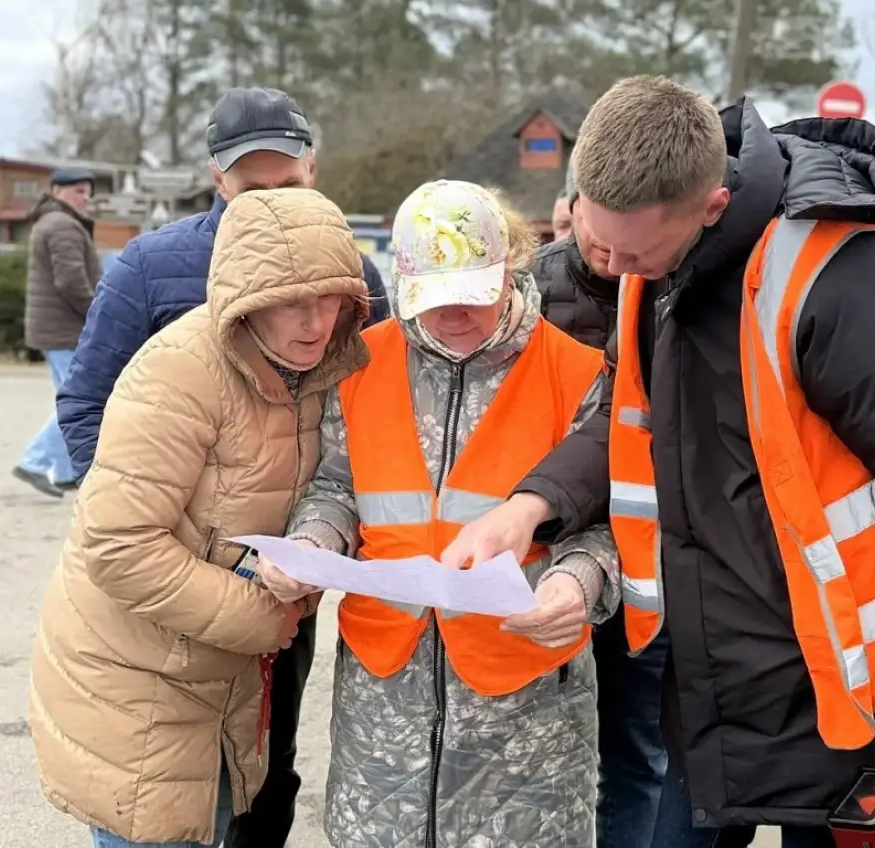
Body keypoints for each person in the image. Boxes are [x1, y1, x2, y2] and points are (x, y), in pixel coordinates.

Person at [441, 76, 875, 848]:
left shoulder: (857, 281)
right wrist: (532, 504)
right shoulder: (656, 268)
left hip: (849, 703)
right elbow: (631, 420)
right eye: (594, 239)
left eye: (632, 251)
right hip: (715, 685)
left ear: (711, 206)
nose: (608, 265)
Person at [55, 86, 388, 848]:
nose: (271, 203)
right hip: (169, 580)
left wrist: (322, 543)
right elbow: (87, 407)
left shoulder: (351, 278)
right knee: (157, 783)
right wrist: (151, 518)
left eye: (288, 184)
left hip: (288, 579)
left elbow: (371, 420)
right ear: (217, 179)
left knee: (262, 771)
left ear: (313, 170)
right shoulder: (151, 268)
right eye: (251, 187)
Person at [264, 179, 619, 847]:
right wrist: (311, 542)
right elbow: (336, 487)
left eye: (472, 293)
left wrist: (580, 583)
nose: (454, 312)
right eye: (434, 295)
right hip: (383, 702)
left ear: (509, 267)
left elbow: (610, 520)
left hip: (526, 708)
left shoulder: (577, 373)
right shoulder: (359, 365)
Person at [534, 172, 668, 846]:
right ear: (571, 207)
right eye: (596, 225)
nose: (614, 254)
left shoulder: (670, 282)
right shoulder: (527, 291)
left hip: (646, 559)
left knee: (637, 753)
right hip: (547, 552)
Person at [14, 167, 100, 497]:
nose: (86, 198)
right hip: (65, 329)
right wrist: (99, 313)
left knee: (71, 400)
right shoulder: (63, 226)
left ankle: (65, 472)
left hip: (56, 328)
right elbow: (71, 282)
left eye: (88, 191)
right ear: (57, 191)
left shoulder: (53, 221)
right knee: (80, 402)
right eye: (79, 191)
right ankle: (35, 462)